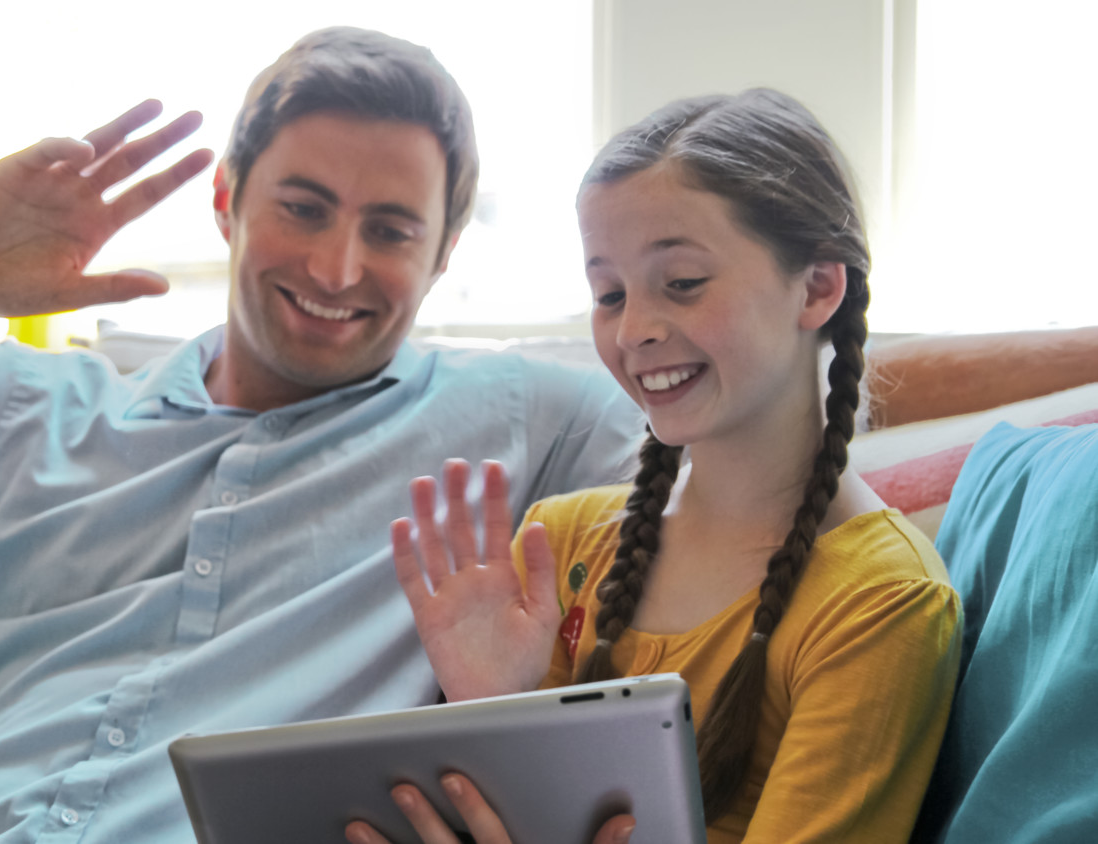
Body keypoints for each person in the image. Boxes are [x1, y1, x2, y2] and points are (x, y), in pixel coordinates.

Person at [0, 25, 1096, 844]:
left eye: (392, 229)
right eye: (305, 210)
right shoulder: (23, 404)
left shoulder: (523, 419)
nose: (338, 271)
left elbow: (780, 385)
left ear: (447, 252)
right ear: (227, 204)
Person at [356, 90, 963, 844]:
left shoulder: (881, 601)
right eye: (609, 293)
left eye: (682, 283)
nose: (635, 330)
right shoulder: (563, 543)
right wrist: (486, 706)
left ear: (817, 287)